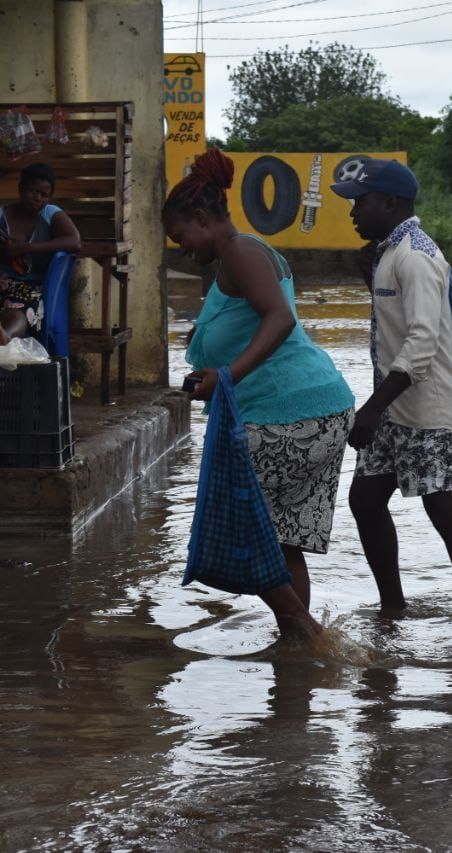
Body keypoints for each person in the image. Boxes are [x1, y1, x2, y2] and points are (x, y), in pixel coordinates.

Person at [166, 149, 356, 640]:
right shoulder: (242, 253)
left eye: (182, 238)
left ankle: (304, 629)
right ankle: (296, 651)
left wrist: (226, 376)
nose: (184, 250)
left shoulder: (239, 252)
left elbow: (280, 318)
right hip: (312, 407)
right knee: (282, 537)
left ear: (203, 219)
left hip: (290, 412)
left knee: (242, 528)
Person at [330, 158, 452, 618]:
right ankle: (392, 608)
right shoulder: (390, 251)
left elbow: (422, 342)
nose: (353, 212)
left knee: (446, 513)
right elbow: (400, 325)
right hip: (395, 404)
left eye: (360, 202)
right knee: (365, 500)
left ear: (390, 202)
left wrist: (370, 409)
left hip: (425, 406)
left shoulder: (416, 255)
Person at [0, 162, 81, 344]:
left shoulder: (50, 214)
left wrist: (25, 248)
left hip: (29, 285)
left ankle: (5, 334)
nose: (38, 198)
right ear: (21, 189)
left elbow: (75, 242)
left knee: (20, 308)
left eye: (44, 195)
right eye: (33, 192)